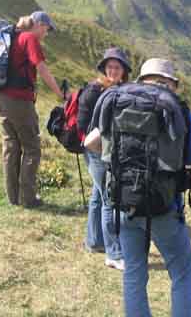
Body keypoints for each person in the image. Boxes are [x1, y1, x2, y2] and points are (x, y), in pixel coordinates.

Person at [85, 58, 191, 317]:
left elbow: (90, 142)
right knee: (182, 272)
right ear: (171, 84)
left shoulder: (119, 101)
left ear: (142, 80)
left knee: (134, 272)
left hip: (125, 201)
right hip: (163, 206)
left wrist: (116, 161)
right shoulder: (178, 109)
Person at [0, 11, 65, 208]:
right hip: (19, 99)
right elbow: (41, 68)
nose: (46, 34)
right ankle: (28, 198)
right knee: (32, 147)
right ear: (39, 24)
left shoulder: (12, 36)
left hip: (0, 96)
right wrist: (59, 92)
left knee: (11, 145)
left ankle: (13, 197)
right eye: (47, 29)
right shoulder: (29, 38)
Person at [77, 47, 131, 269]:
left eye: (117, 67)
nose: (113, 70)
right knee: (110, 199)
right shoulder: (94, 90)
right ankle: (114, 253)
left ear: (123, 70)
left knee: (98, 196)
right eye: (109, 67)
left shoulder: (121, 89)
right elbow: (82, 124)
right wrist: (97, 143)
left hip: (106, 151)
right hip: (98, 151)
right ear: (103, 68)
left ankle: (94, 241)